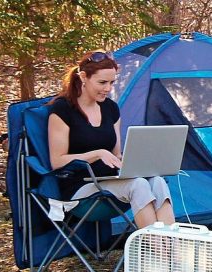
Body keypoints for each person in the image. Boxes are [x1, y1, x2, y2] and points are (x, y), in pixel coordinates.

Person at [48, 50, 175, 228]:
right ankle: (156, 254)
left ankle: (170, 252)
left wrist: (140, 162)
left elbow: (116, 155)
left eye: (112, 82)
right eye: (102, 82)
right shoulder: (62, 109)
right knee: (138, 185)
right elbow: (57, 162)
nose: (108, 89)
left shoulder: (111, 108)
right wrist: (98, 153)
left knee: (158, 182)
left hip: (112, 181)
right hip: (80, 188)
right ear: (84, 77)